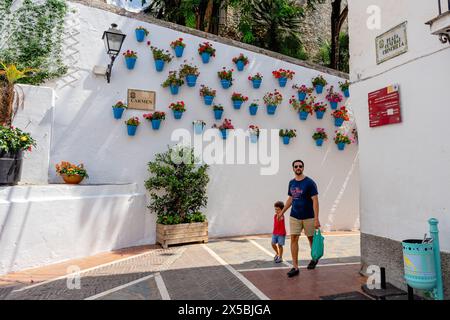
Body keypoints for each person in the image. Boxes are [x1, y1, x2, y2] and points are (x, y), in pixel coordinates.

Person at [279, 160, 320, 278]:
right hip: (294, 216)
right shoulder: (291, 183)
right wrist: (282, 212)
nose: (298, 168)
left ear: (303, 168)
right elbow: (291, 199)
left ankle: (314, 258)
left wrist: (317, 218)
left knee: (311, 239)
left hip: (309, 217)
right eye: (296, 166)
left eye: (300, 166)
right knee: (293, 239)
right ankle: (295, 267)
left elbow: (315, 201)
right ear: (293, 168)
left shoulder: (310, 183)